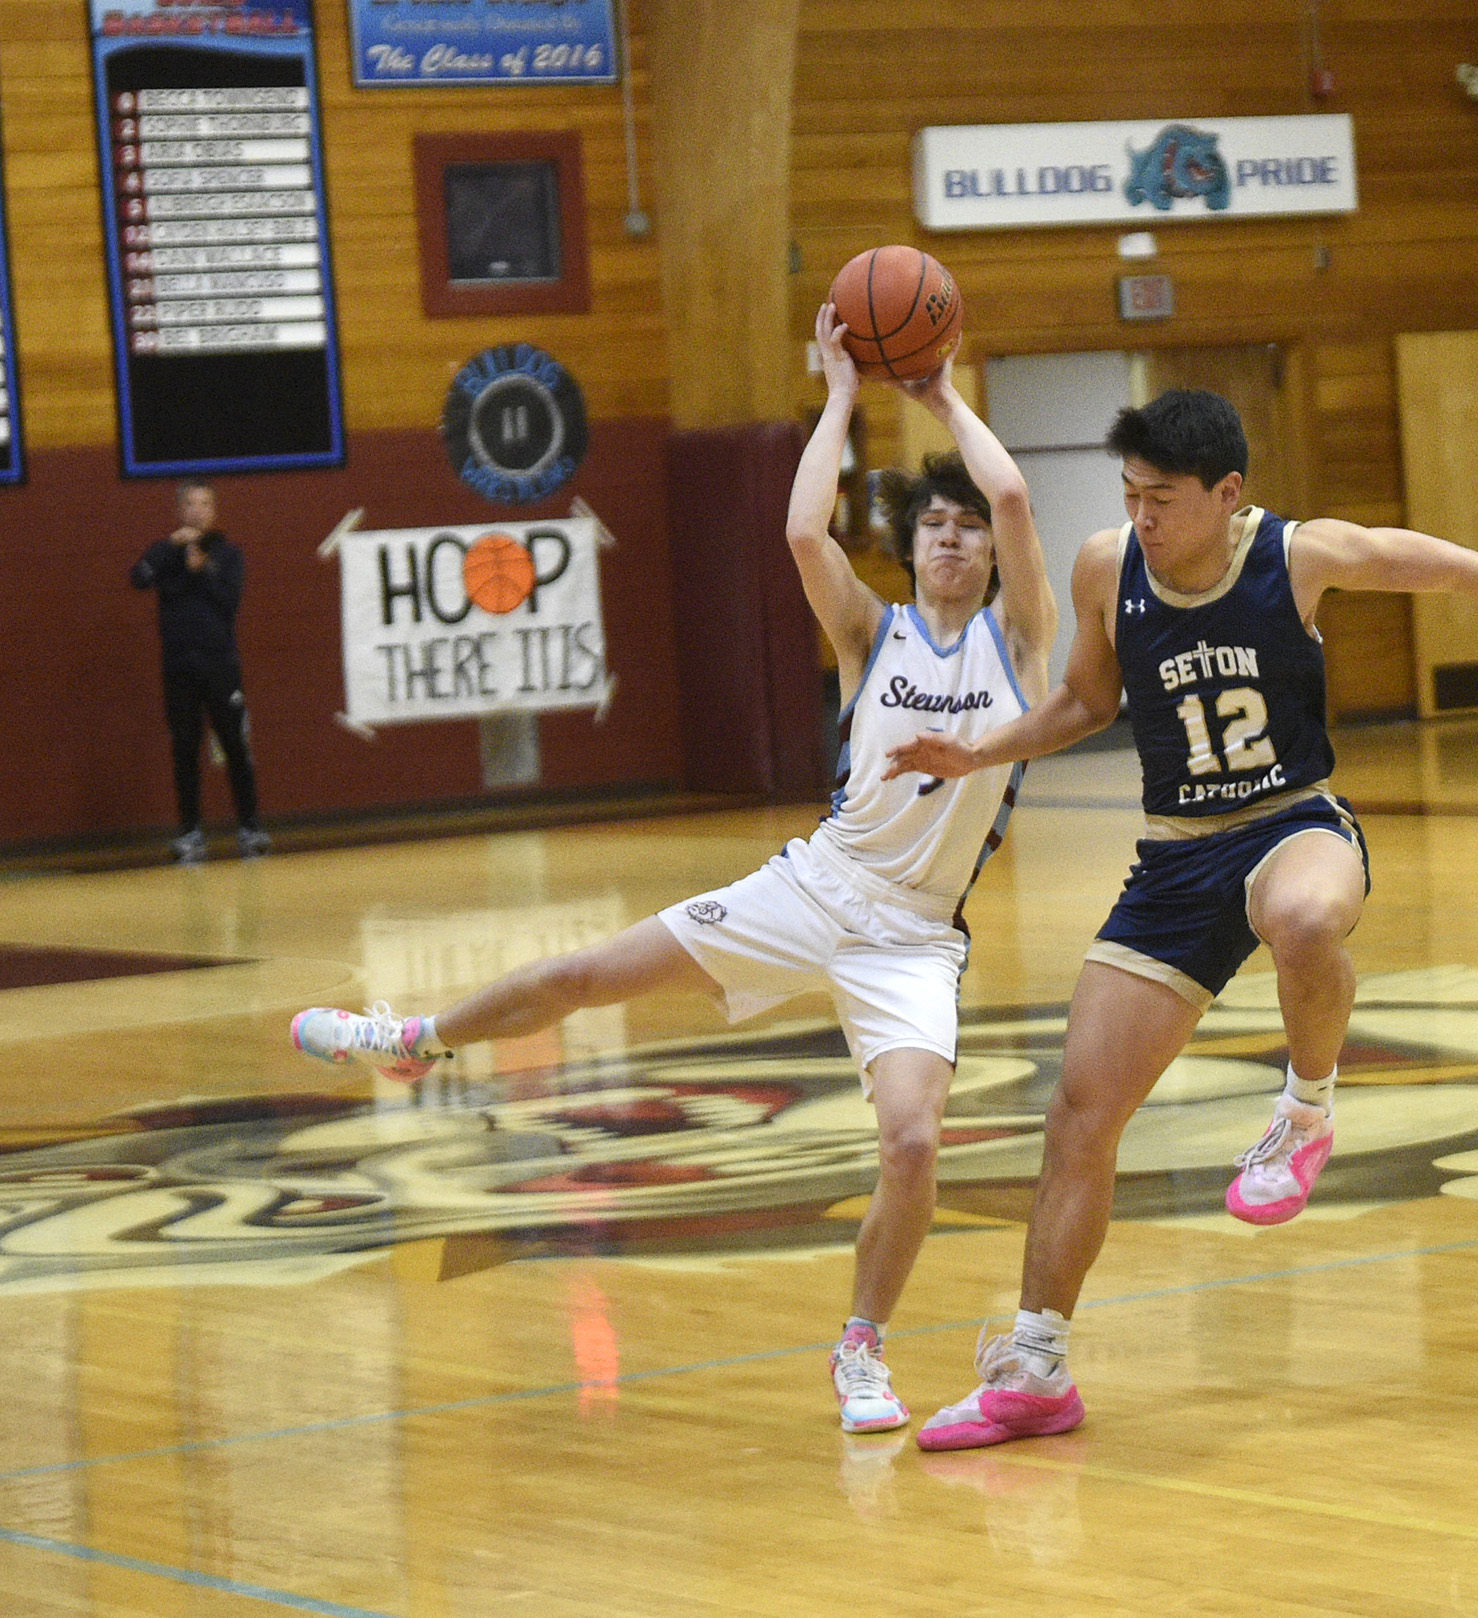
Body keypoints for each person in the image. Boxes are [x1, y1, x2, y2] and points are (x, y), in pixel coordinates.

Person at [289, 303, 1058, 1436]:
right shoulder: (870, 630)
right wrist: (840, 391)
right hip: (813, 885)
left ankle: (859, 1347)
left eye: (966, 529)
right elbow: (803, 534)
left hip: (914, 933)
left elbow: (1017, 496)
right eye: (932, 526)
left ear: (989, 553)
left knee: (910, 1140)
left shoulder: (1021, 641)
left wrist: (939, 393)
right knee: (586, 972)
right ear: (912, 547)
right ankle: (412, 1040)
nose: (952, 539)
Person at [883, 388, 1478, 1451]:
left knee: (1302, 916)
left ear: (1228, 495)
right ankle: (1034, 1366)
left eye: (1161, 499)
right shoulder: (1103, 564)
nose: (1142, 517)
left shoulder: (1298, 555)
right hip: (1172, 859)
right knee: (1080, 1111)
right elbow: (1084, 701)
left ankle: (1304, 1111)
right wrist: (979, 750)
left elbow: (1447, 565)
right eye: (1129, 494)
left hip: (1291, 822)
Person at [129, 479, 269, 862]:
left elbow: (229, 602)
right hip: (179, 667)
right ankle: (190, 832)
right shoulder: (165, 554)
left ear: (214, 510)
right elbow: (138, 577)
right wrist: (169, 548)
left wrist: (203, 571)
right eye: (190, 504)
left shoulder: (229, 554)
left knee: (235, 747)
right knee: (185, 749)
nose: (198, 511)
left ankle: (250, 827)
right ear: (180, 510)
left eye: (205, 504)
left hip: (220, 665)